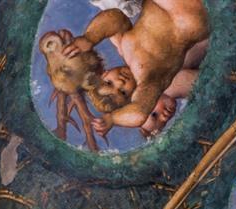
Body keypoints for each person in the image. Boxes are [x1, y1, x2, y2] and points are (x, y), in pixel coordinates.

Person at [57, 0, 211, 137]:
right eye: (123, 92)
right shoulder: (148, 81)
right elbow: (139, 113)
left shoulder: (123, 47)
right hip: (185, 19)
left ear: (105, 74)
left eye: (109, 83)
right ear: (133, 97)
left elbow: (116, 18)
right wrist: (113, 119)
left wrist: (90, 38)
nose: (120, 82)